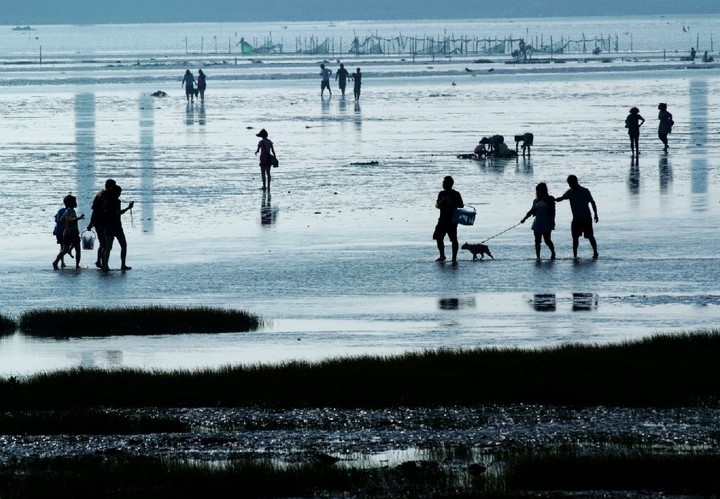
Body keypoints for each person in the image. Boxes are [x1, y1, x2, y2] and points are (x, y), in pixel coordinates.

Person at [555, 175, 599, 260]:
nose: (570, 185)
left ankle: (595, 252)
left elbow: (592, 202)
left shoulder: (585, 191)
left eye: (571, 183)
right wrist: (552, 199)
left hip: (586, 218)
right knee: (575, 239)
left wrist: (596, 214)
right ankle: (575, 256)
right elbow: (562, 198)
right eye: (569, 183)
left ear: (576, 181)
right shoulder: (569, 192)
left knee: (590, 236)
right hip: (576, 219)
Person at [520, 182, 556, 260]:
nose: (538, 192)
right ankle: (538, 257)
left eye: (540, 190)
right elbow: (531, 211)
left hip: (547, 222)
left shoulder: (550, 199)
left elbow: (553, 212)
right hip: (538, 222)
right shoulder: (536, 201)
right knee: (537, 241)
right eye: (537, 190)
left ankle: (553, 252)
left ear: (544, 190)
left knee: (547, 240)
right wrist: (524, 218)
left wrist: (552, 222)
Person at [433, 176, 464, 263]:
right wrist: (440, 203)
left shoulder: (456, 194)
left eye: (445, 183)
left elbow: (461, 205)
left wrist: (452, 203)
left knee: (453, 239)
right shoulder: (441, 194)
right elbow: (437, 205)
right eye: (443, 183)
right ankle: (442, 256)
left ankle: (454, 257)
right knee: (439, 237)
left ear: (450, 184)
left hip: (452, 220)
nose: (443, 184)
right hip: (442, 219)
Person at [103, 185, 134, 271]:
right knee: (123, 245)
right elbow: (118, 213)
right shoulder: (117, 202)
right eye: (119, 193)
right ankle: (123, 265)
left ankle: (105, 266)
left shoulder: (106, 201)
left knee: (108, 247)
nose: (120, 194)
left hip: (107, 226)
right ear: (116, 193)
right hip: (116, 226)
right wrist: (128, 208)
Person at [87, 178, 116, 269]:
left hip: (100, 222)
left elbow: (94, 211)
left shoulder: (100, 195)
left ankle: (100, 261)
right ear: (111, 187)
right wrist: (91, 223)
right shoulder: (106, 196)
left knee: (103, 243)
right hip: (102, 223)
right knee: (104, 244)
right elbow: (95, 211)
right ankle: (103, 263)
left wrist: (91, 223)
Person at [52, 194, 85, 270]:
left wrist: (66, 225)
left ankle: (56, 261)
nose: (76, 203)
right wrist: (78, 218)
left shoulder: (66, 211)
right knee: (78, 250)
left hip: (66, 232)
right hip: (73, 233)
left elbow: (60, 220)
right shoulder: (71, 211)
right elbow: (70, 220)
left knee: (65, 249)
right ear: (71, 204)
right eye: (75, 202)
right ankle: (77, 265)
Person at [53, 203, 74, 268]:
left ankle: (62, 262)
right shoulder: (70, 211)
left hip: (58, 231)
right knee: (74, 241)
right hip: (65, 231)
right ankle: (69, 250)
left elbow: (56, 220)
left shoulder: (60, 210)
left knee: (62, 247)